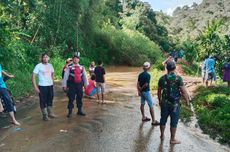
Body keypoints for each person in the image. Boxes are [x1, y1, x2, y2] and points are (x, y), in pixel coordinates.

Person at [158, 61, 190, 144]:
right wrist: (187, 101)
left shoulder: (162, 78)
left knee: (163, 119)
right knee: (174, 121)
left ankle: (162, 135)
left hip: (164, 102)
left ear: (167, 68)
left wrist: (160, 101)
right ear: (174, 68)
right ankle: (172, 139)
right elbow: (183, 91)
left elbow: (159, 91)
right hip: (175, 104)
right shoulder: (178, 78)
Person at [62, 52, 88, 118]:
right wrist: (64, 85)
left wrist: (86, 85)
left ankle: (79, 110)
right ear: (73, 59)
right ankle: (70, 112)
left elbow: (85, 76)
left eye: (77, 58)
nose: (76, 60)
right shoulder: (69, 67)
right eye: (74, 58)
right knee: (71, 98)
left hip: (79, 85)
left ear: (79, 60)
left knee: (79, 98)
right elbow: (65, 77)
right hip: (72, 85)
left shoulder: (82, 67)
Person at [32, 53, 56, 121]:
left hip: (50, 85)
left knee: (50, 99)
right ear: (42, 58)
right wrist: (35, 87)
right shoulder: (38, 66)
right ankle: (45, 115)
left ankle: (50, 113)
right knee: (43, 101)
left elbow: (52, 73)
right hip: (42, 86)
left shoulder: (50, 65)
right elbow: (33, 76)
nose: (45, 58)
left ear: (49, 58)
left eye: (46, 57)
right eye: (44, 57)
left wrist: (52, 82)